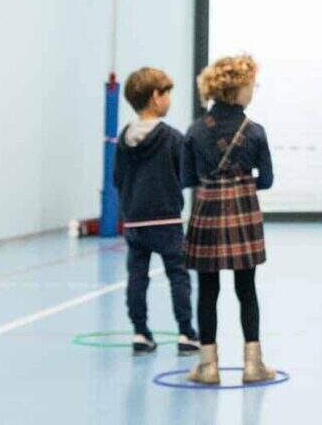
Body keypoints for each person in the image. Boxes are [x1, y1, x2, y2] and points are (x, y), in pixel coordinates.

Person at [182, 55, 275, 385]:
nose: (253, 91)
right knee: (246, 288)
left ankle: (208, 366)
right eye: (251, 85)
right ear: (237, 90)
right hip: (243, 212)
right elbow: (266, 180)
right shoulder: (255, 132)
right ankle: (254, 364)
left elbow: (186, 177)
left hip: (207, 211)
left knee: (207, 290)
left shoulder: (194, 131)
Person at [113, 66, 201, 357]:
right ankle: (187, 334)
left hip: (135, 221)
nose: (169, 100)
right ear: (155, 96)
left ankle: (140, 333)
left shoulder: (124, 139)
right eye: (167, 94)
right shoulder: (173, 138)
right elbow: (187, 175)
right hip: (166, 219)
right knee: (178, 274)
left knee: (137, 276)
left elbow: (118, 178)